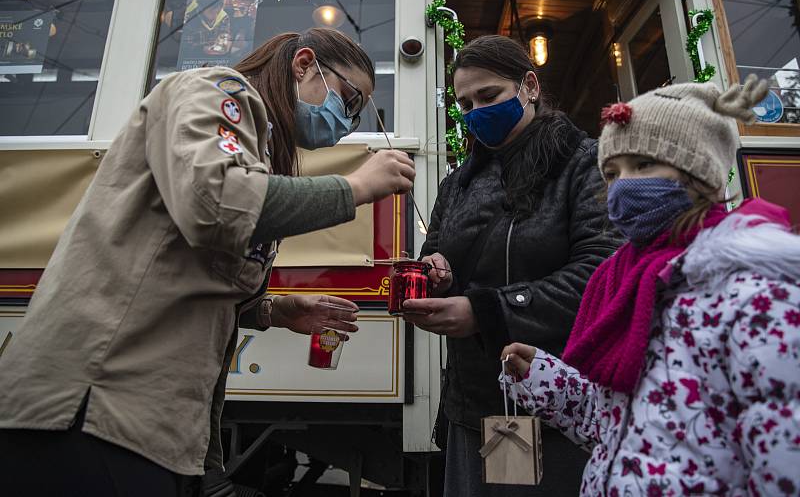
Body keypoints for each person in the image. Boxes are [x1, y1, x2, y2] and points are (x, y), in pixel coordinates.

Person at [0, 28, 415, 495]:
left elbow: (184, 270)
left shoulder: (259, 147)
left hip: (148, 422)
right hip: (92, 406)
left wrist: (272, 310)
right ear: (303, 64)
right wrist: (357, 187)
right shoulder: (214, 91)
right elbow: (216, 202)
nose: (350, 120)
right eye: (351, 98)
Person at [501, 76, 800, 496]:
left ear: (704, 176)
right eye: (611, 172)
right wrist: (542, 378)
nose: (623, 184)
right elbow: (614, 425)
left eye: (643, 165)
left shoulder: (756, 295)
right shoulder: (625, 283)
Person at [401, 35, 621, 496]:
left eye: (488, 96)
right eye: (464, 102)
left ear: (530, 86)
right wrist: (435, 273)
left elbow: (600, 272)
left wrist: (486, 311)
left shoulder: (586, 164)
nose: (476, 111)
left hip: (561, 401)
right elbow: (435, 250)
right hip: (473, 400)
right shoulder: (458, 182)